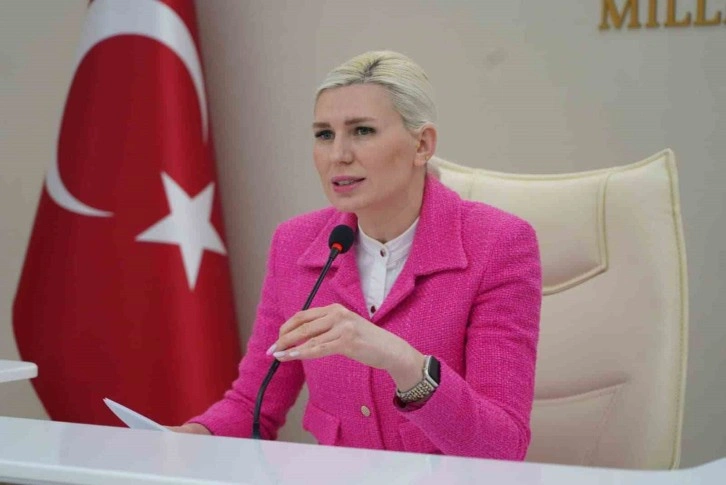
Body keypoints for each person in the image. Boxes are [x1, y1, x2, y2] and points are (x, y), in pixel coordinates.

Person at [173, 50, 542, 460]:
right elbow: (252, 407)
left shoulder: (499, 244)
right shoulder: (294, 244)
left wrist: (402, 361)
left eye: (362, 131)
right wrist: (185, 438)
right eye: (324, 135)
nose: (338, 155)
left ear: (422, 145)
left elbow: (501, 448)